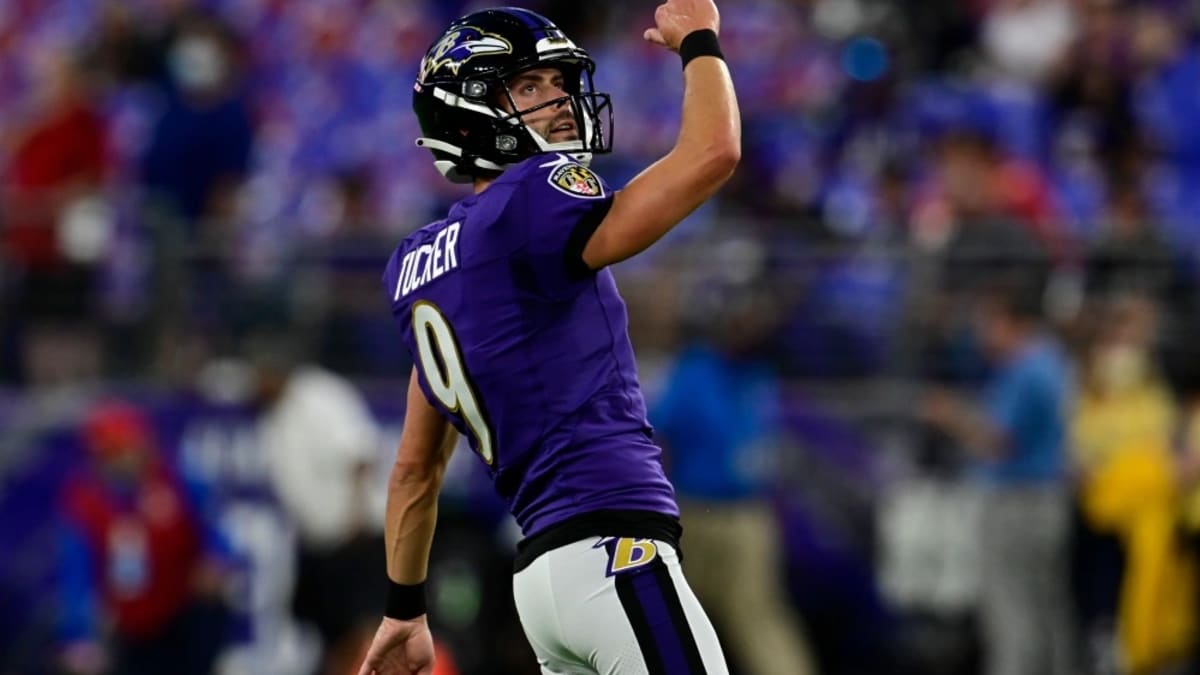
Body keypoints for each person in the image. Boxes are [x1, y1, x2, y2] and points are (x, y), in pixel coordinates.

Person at [359, 2, 740, 674]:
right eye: (530, 86)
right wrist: (701, 41)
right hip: (613, 547)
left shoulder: (420, 263)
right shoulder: (528, 198)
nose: (560, 101)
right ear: (467, 109)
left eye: (559, 83)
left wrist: (404, 606)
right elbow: (713, 153)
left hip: (543, 575)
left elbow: (416, 468)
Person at [921, 282, 1075, 675]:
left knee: (1012, 614)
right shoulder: (1051, 360)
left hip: (1018, 503)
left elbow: (998, 441)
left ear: (1012, 323)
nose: (981, 332)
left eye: (989, 322)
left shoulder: (1026, 368)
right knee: (1047, 610)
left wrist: (950, 415)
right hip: (1047, 500)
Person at [56, 400, 233, 675]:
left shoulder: (177, 478)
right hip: (131, 625)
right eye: (114, 450)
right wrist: (79, 635)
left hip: (184, 611)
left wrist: (217, 559)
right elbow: (76, 573)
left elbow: (217, 532)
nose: (126, 457)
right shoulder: (85, 501)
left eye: (130, 446)